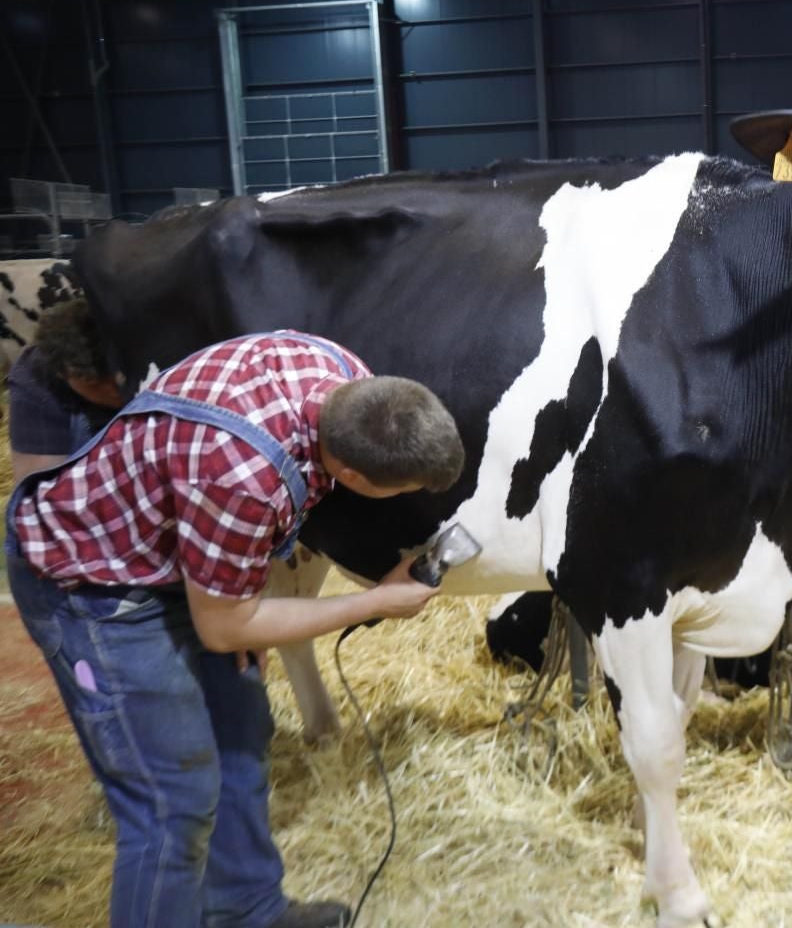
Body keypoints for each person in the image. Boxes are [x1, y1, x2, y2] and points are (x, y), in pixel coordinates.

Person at [6, 329, 466, 928]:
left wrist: (236, 606)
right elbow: (225, 627)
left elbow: (234, 597)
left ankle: (247, 910)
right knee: (172, 804)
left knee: (243, 734)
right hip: (94, 587)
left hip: (183, 558)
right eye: (400, 490)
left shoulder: (339, 368)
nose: (404, 498)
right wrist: (377, 601)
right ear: (351, 475)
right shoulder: (242, 475)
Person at [7, 297, 125, 479]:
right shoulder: (36, 375)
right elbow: (40, 489)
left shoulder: (147, 341)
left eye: (121, 378)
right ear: (62, 374)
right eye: (94, 384)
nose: (116, 392)